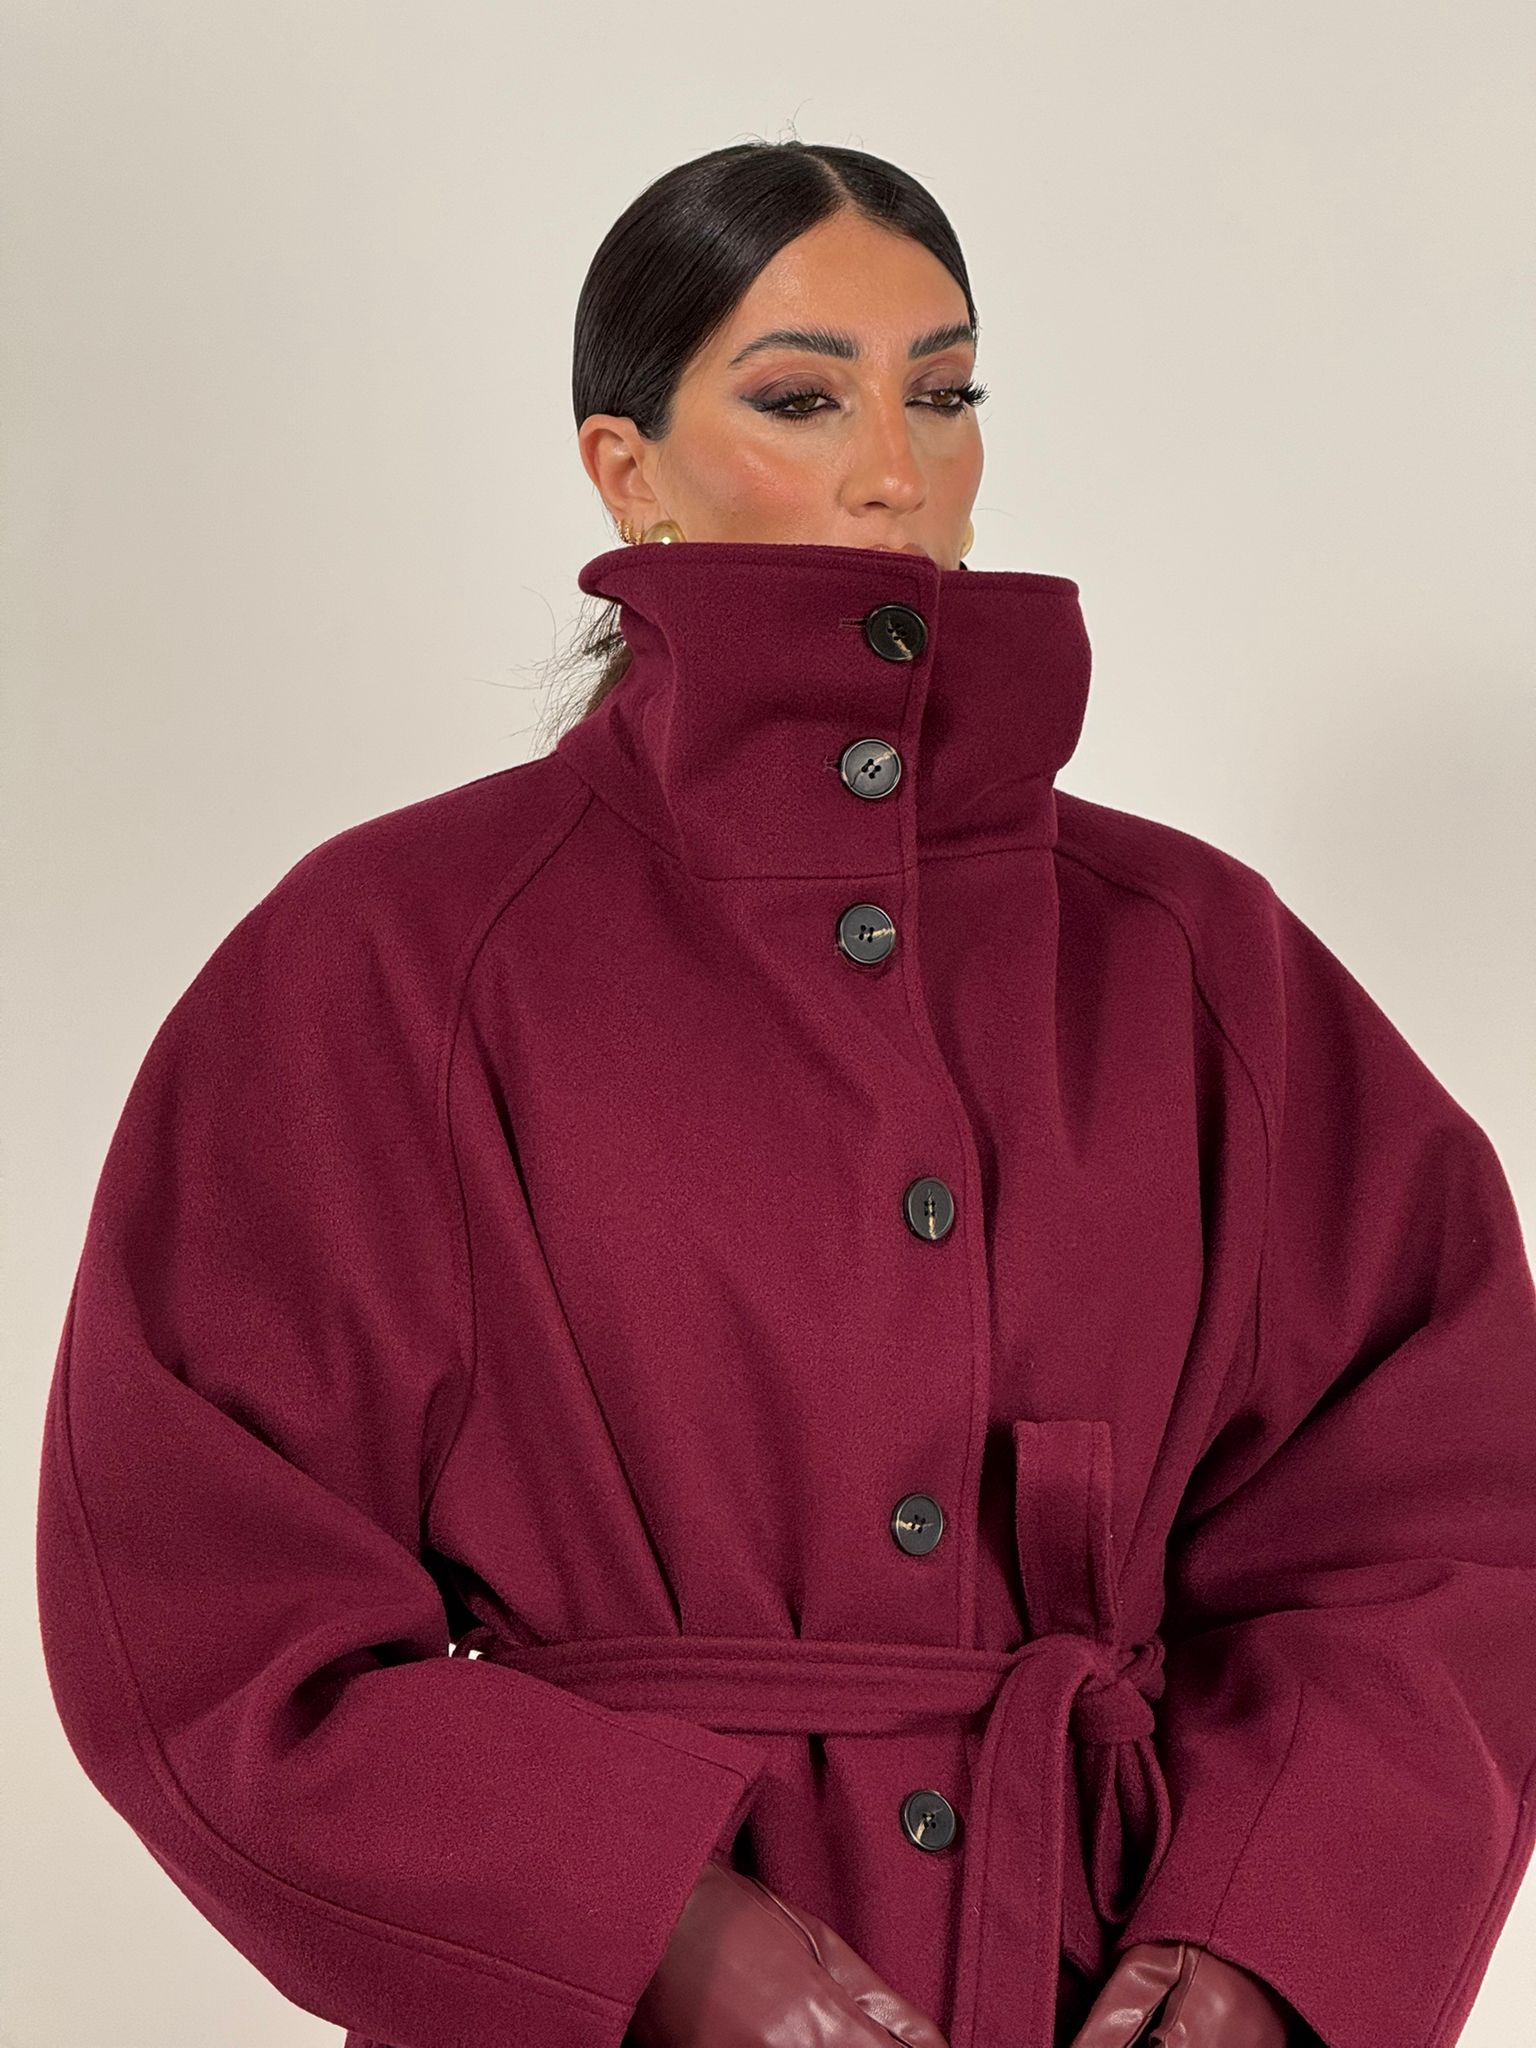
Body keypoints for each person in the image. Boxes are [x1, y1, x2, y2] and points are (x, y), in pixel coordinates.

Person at [34, 139, 1536, 2048]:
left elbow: (1443, 1516)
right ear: (626, 467)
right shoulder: (391, 959)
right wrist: (648, 1929)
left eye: (945, 392)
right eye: (803, 398)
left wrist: (1267, 1939)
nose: (896, 467)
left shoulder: (1196, 961)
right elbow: (201, 1602)